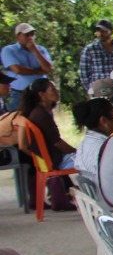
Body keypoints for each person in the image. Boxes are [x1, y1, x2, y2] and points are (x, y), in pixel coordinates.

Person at [20, 79, 74, 212]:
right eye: (52, 89)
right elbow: (58, 143)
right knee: (95, 160)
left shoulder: (38, 112)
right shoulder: (41, 115)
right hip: (57, 160)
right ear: (42, 94)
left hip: (51, 159)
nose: (57, 91)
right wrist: (78, 151)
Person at [3, 23, 53, 112]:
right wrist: (39, 71)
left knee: (43, 118)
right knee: (19, 118)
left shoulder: (41, 50)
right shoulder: (9, 50)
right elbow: (17, 69)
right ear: (17, 37)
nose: (30, 38)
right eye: (26, 35)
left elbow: (48, 68)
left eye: (32, 34)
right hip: (19, 93)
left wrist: (35, 50)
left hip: (40, 94)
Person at [70, 98, 113, 188]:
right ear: (104, 121)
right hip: (110, 193)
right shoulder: (107, 148)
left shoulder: (83, 144)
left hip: (96, 194)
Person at [77, 19, 113, 92]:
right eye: (99, 31)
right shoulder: (90, 49)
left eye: (104, 31)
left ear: (112, 32)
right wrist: (91, 89)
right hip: (98, 90)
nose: (101, 33)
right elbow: (84, 73)